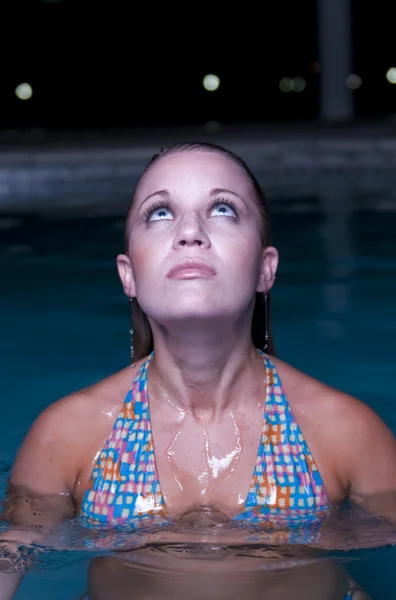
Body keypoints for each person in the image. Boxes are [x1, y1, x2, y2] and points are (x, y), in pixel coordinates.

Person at [2, 140, 394, 599]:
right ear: (128, 275)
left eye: (223, 210)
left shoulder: (344, 431)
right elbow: (13, 553)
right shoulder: (69, 434)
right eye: (160, 213)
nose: (190, 232)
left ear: (266, 269)